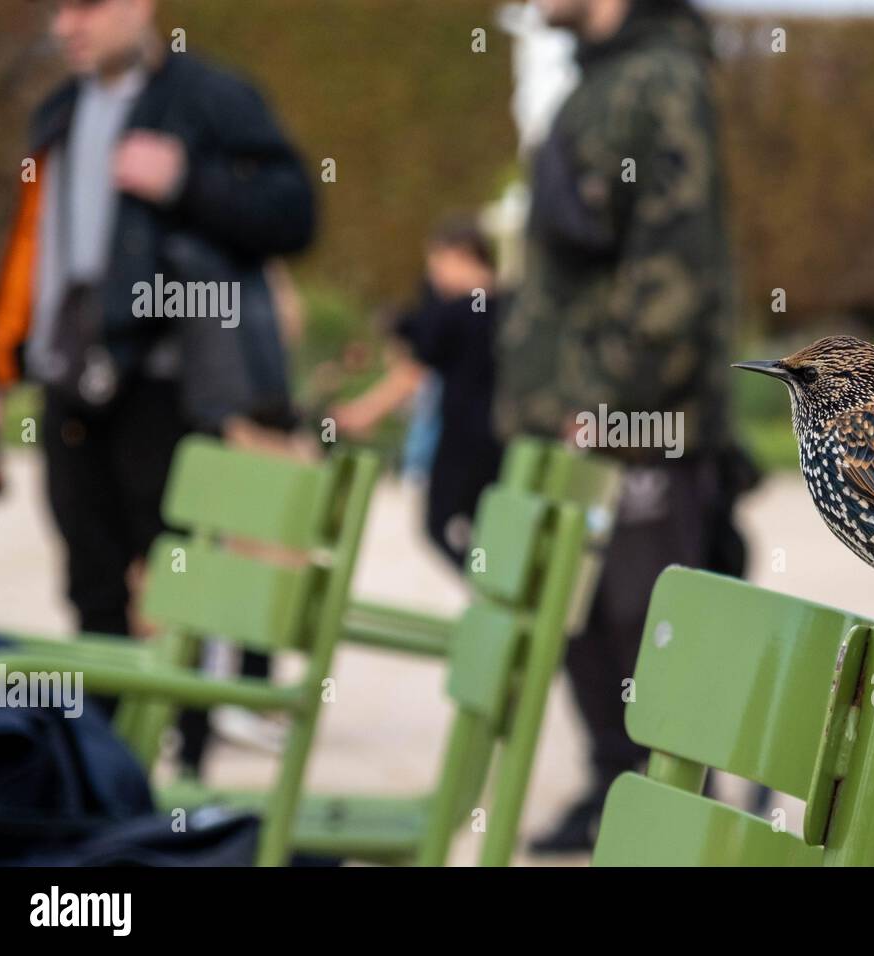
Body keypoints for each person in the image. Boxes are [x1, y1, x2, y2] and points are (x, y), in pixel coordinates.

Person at [0, 0, 314, 773]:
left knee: (176, 585)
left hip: (164, 379)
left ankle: (187, 768)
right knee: (91, 581)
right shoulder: (58, 112)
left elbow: (293, 213)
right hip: (70, 379)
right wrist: (1, 368)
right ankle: (104, 768)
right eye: (58, 10)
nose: (67, 25)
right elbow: (33, 252)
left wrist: (187, 180)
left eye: (87, 6)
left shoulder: (208, 98)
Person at [494, 0, 746, 853]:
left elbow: (675, 266)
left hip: (634, 424)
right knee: (585, 617)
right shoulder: (599, 81)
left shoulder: (661, 79)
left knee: (646, 627)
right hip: (582, 419)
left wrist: (603, 401)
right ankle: (617, 788)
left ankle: (676, 812)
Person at [331, 217, 504, 566]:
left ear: (461, 255)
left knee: (442, 525)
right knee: (485, 529)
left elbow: (414, 370)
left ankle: (496, 595)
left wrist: (363, 411)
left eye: (436, 263)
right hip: (501, 441)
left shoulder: (460, 312)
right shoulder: (513, 307)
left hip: (466, 443)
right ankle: (501, 595)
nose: (433, 276)